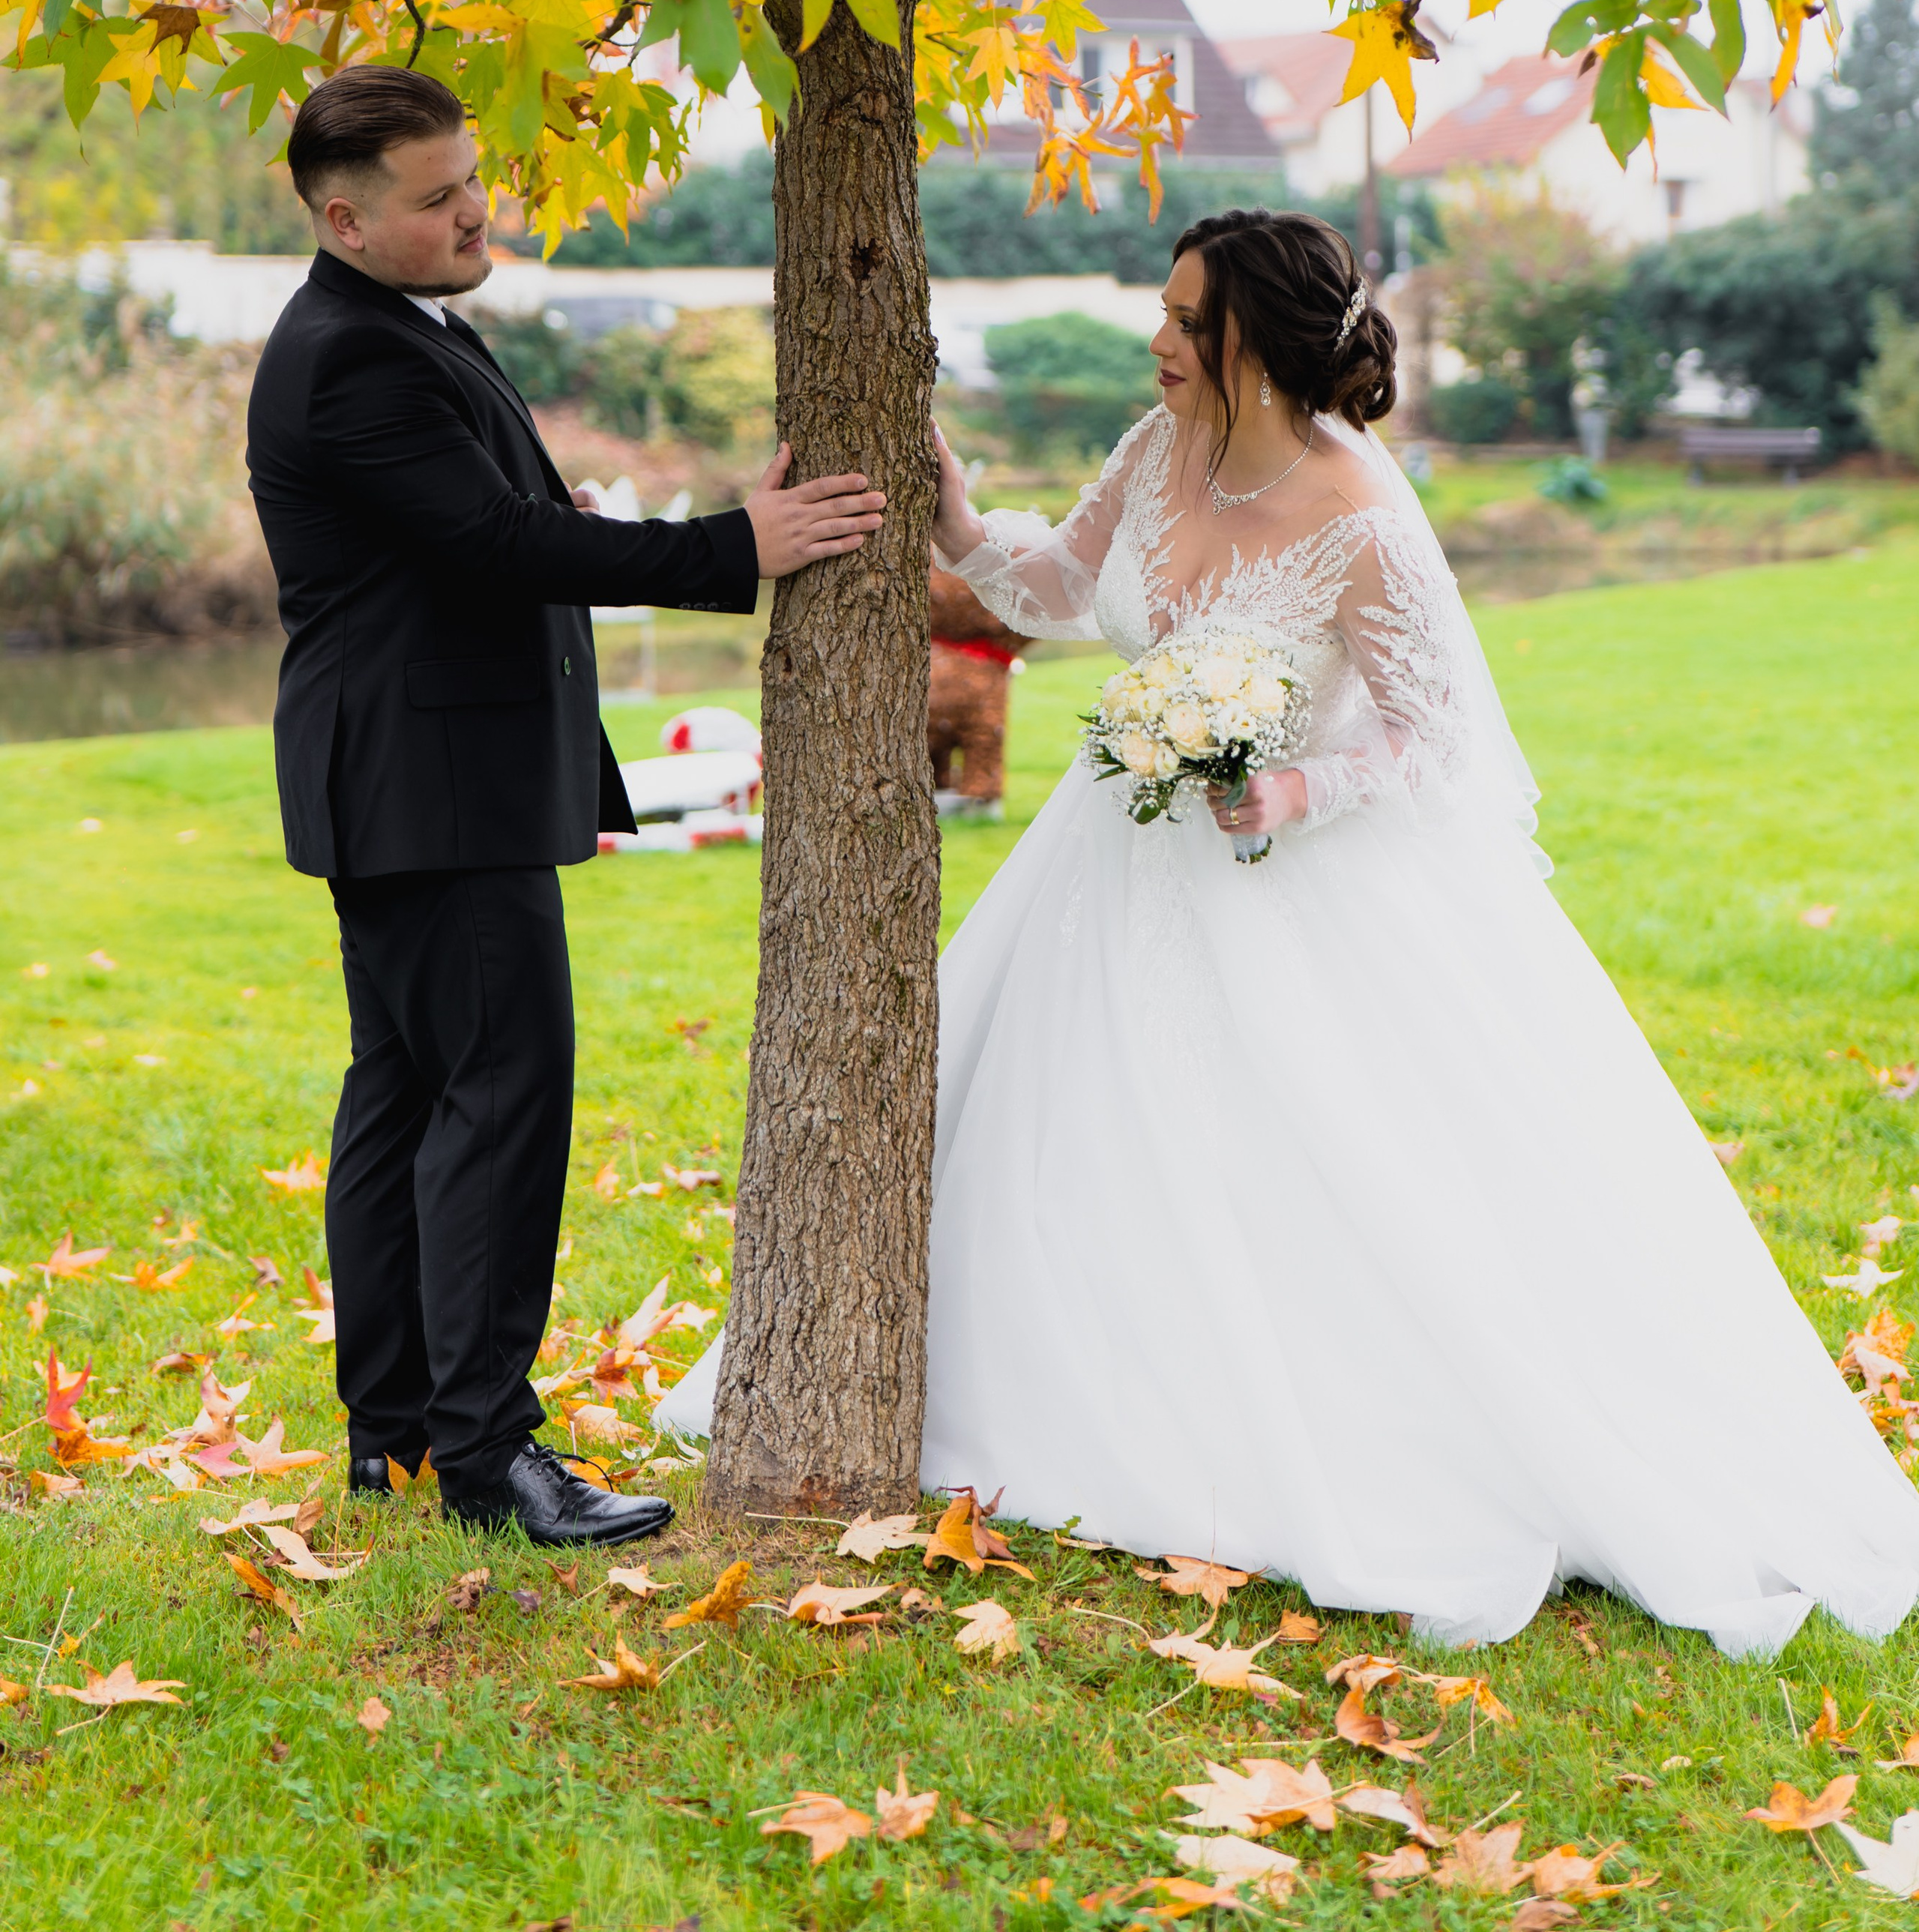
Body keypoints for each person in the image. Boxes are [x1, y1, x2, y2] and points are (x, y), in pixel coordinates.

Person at [663, 206, 1919, 1652]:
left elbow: (1439, 742)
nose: (1156, 341)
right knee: (1060, 1125)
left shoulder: (1360, 516)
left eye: (1183, 320)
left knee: (1307, 1160)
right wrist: (955, 517)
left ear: (1250, 342)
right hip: (1113, 863)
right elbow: (1065, 585)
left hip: (1289, 882)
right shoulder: (1155, 452)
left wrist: (1296, 787)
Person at [247, 66, 883, 1547]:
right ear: (344, 218)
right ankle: (483, 1455)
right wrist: (744, 542)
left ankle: (398, 1436)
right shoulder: (355, 356)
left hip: (412, 779)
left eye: (473, 178)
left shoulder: (393, 326)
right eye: (436, 196)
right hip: (433, 789)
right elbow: (489, 543)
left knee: (404, 1100)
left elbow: (476, 530)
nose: (478, 210)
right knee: (496, 1104)